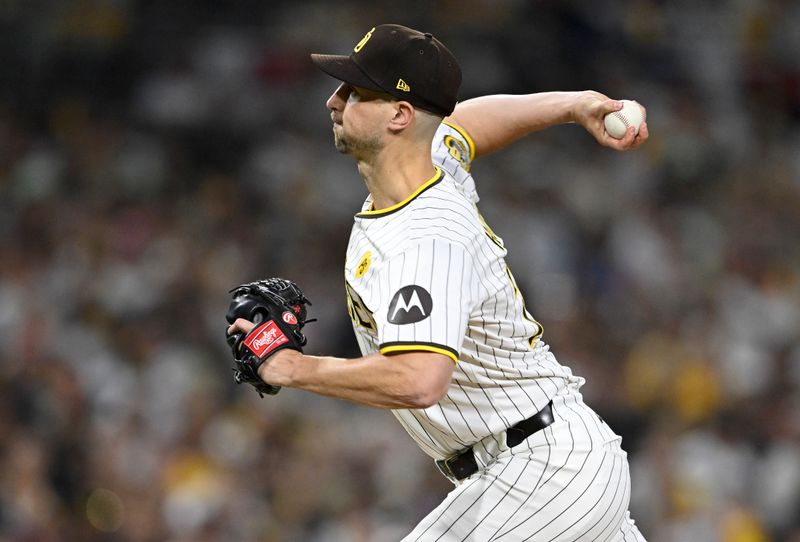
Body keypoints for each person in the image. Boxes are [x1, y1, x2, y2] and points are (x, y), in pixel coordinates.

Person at [228, 23, 649, 541]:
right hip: (536, 467)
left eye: (354, 91)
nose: (334, 101)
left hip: (544, 474)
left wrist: (292, 367)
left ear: (401, 115)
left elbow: (418, 380)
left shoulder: (426, 238)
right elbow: (466, 124)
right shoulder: (430, 165)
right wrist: (574, 103)